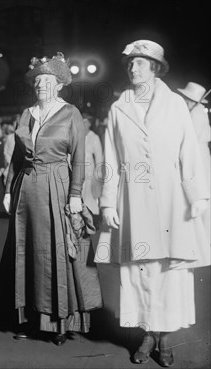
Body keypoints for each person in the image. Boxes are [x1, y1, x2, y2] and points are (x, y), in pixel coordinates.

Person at [99, 41, 209, 366]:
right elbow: (110, 157)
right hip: (132, 199)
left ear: (156, 68)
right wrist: (108, 203)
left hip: (170, 200)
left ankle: (165, 337)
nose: (133, 69)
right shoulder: (119, 108)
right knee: (140, 269)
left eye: (141, 64)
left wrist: (197, 197)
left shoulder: (175, 105)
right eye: (131, 64)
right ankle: (147, 333)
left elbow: (189, 151)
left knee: (168, 272)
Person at [0, 52, 102, 346]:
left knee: (57, 252)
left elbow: (80, 157)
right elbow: (18, 159)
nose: (41, 84)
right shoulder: (25, 114)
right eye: (37, 80)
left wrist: (75, 195)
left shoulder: (70, 113)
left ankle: (58, 321)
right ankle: (30, 318)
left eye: (48, 80)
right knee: (26, 251)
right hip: (26, 189)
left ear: (59, 85)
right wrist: (8, 189)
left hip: (57, 185)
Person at [178, 82, 210, 245]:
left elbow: (191, 138)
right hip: (196, 155)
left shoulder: (197, 114)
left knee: (201, 193)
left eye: (185, 98)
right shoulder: (190, 112)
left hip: (199, 156)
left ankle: (203, 239)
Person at [82, 114, 103, 216]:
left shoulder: (94, 137)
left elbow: (99, 156)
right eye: (82, 122)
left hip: (90, 167)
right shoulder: (78, 135)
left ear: (89, 124)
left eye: (86, 122)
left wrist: (98, 173)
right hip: (78, 166)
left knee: (90, 193)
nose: (84, 124)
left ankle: (91, 215)